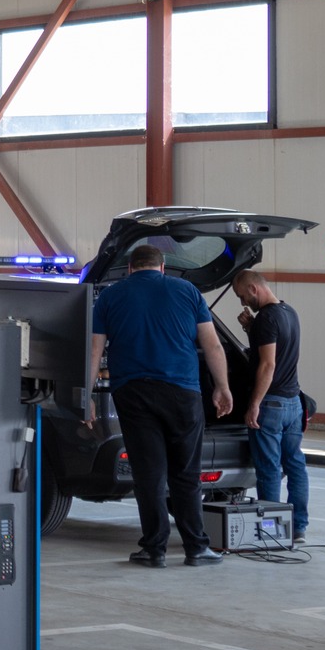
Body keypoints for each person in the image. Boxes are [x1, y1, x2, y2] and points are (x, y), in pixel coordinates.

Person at [89, 243, 234, 569]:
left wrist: (86, 397)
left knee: (149, 475)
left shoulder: (110, 296)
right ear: (163, 267)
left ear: (130, 269)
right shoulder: (188, 291)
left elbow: (94, 351)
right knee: (187, 473)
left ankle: (154, 550)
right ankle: (196, 548)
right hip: (182, 393)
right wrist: (222, 387)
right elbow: (212, 345)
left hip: (133, 393)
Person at [234, 269, 309, 544]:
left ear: (253, 288)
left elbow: (268, 364)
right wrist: (250, 329)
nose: (243, 302)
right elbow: (276, 350)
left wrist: (254, 404)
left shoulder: (266, 319)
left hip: (271, 405)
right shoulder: (289, 312)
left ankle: (271, 530)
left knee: (269, 469)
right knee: (295, 465)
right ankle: (298, 528)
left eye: (242, 296)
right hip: (293, 402)